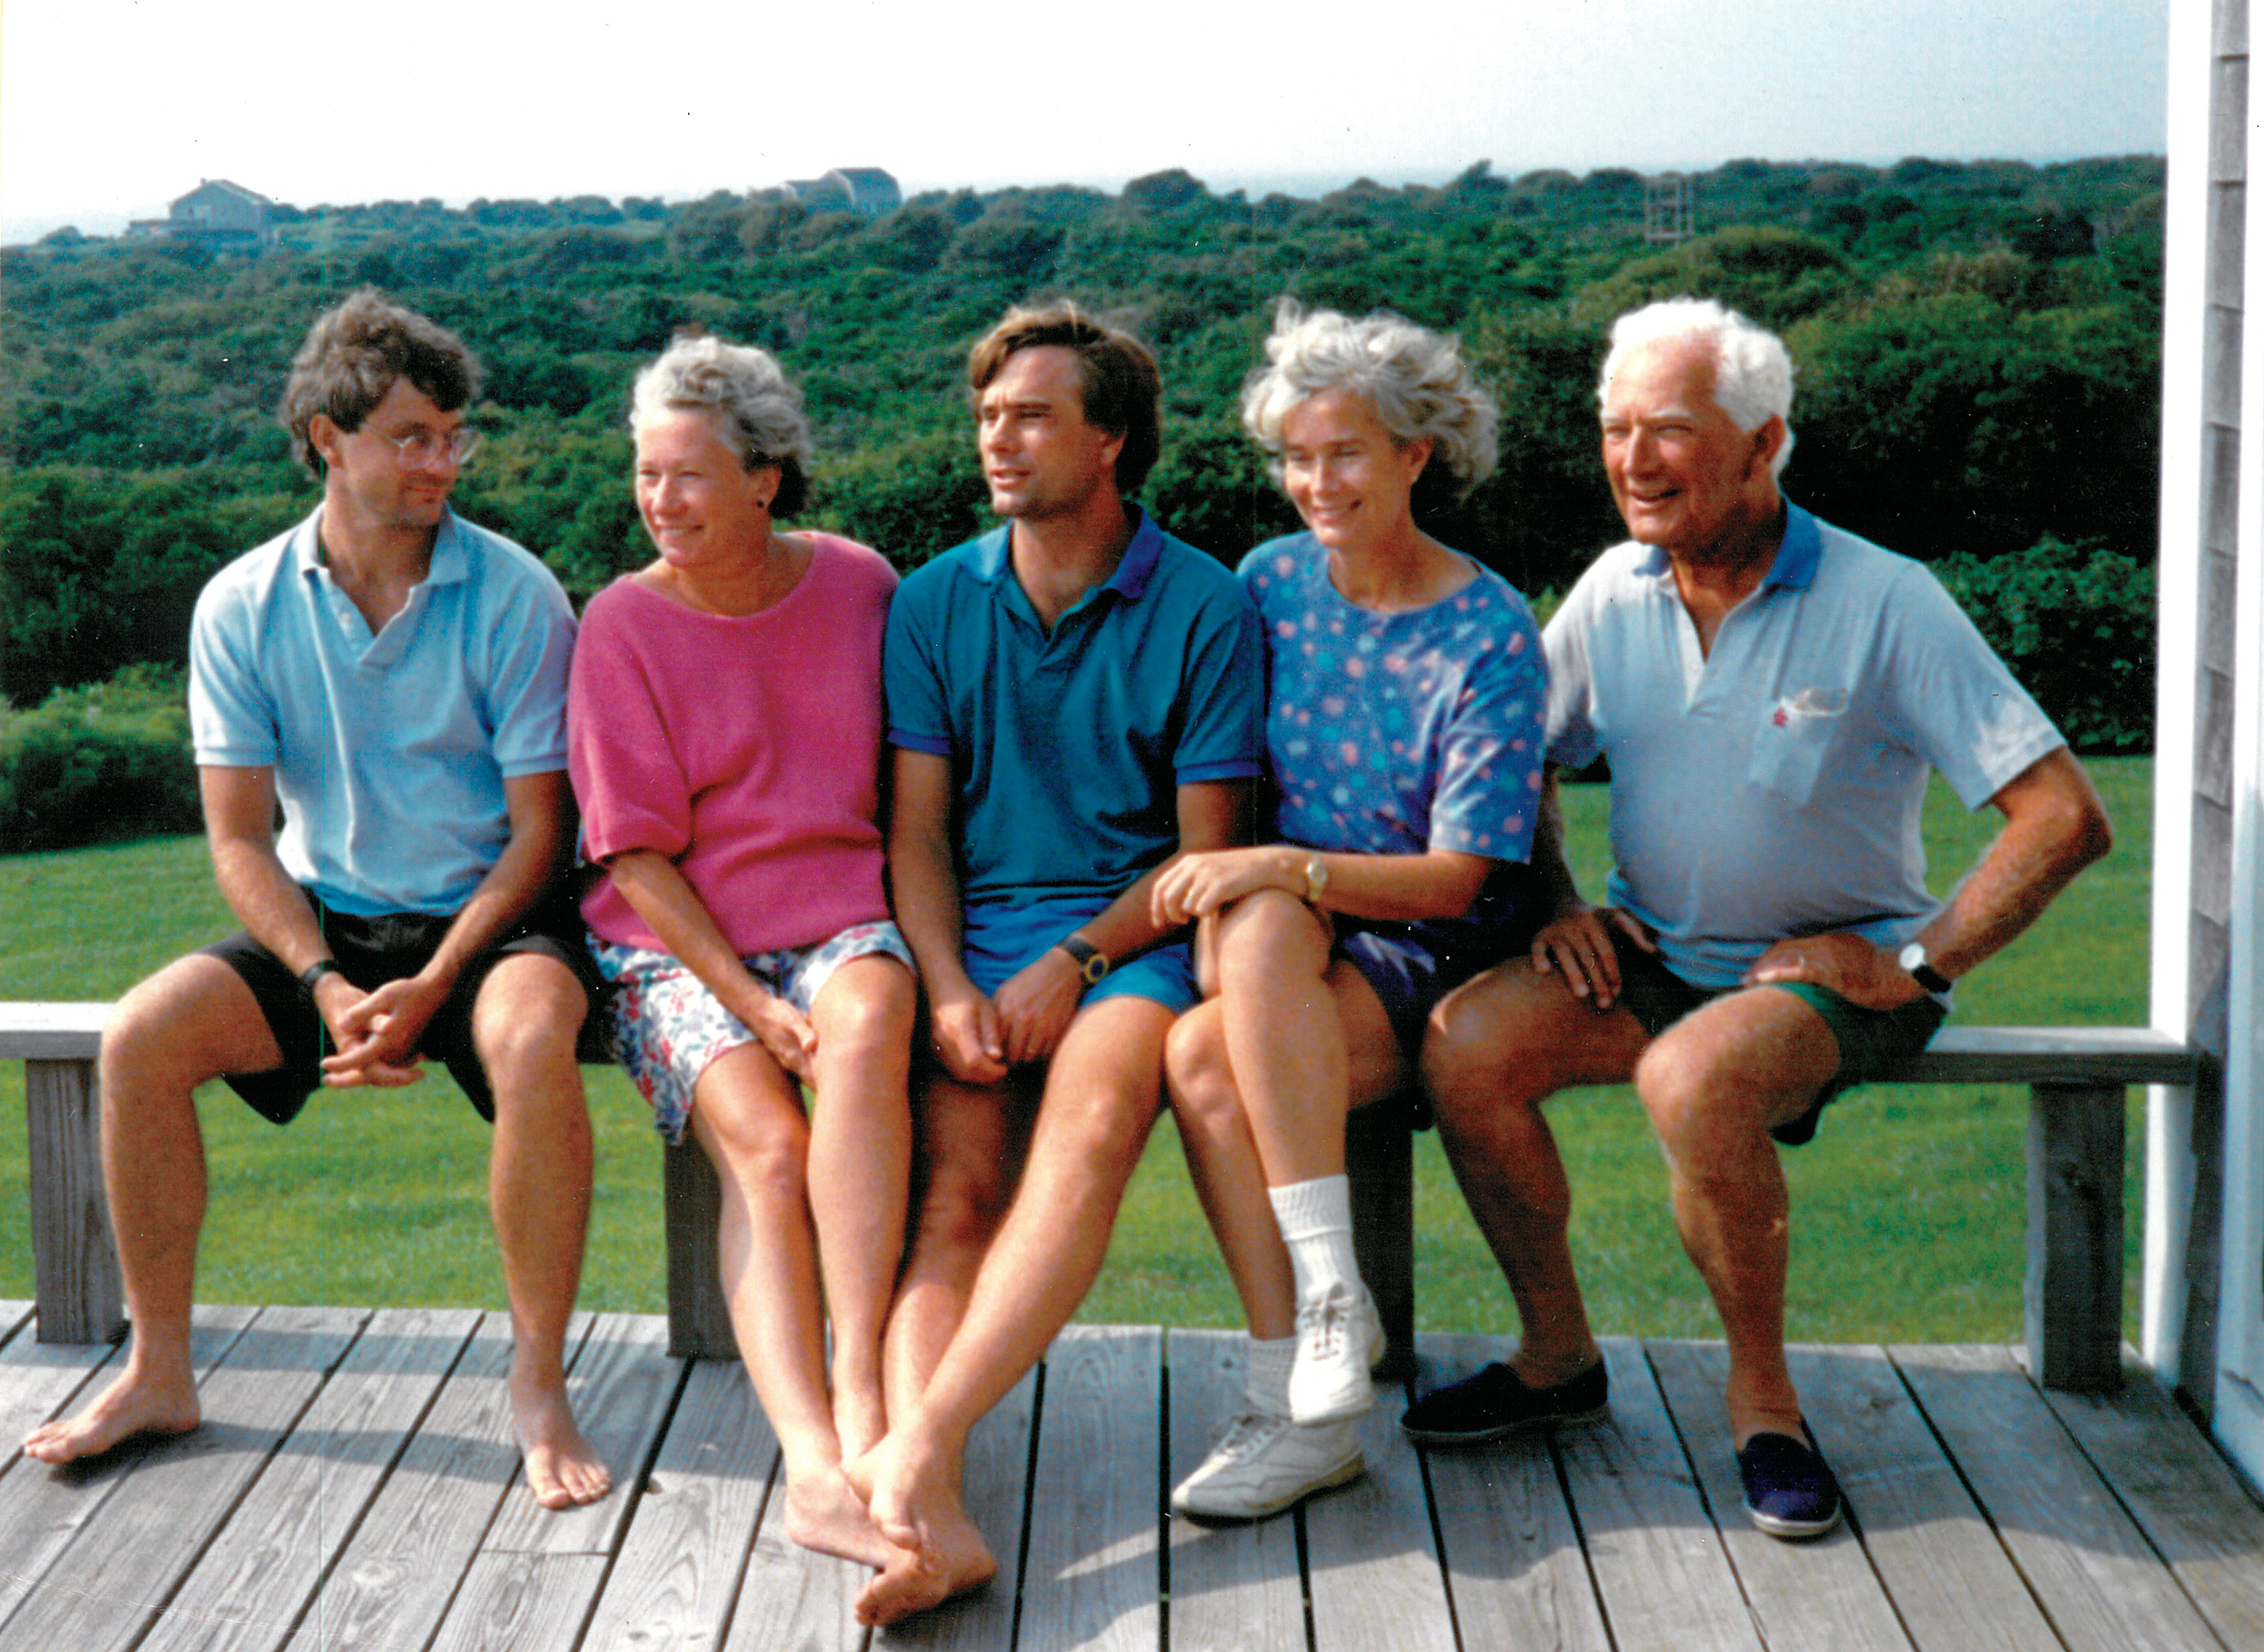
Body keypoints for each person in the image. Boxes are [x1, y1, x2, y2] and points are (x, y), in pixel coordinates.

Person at [1412, 296, 2113, 1539]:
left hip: (1837, 989)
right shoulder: (1614, 590)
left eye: (1670, 430)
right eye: (1615, 429)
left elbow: (2060, 817)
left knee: (1691, 1079)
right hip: (1654, 960)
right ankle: (1558, 1361)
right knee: (1465, 1041)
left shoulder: (1885, 597)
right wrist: (1563, 902)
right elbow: (1515, 760)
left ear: (1761, 443)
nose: (1633, 461)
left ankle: (1764, 1410)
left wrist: (1913, 957)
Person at [23, 291, 612, 1508]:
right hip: (325, 926)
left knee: (532, 1038)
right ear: (325, 439)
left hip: (496, 923)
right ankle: (160, 1372)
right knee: (139, 1037)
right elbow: (239, 839)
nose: (442, 460)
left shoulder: (515, 594)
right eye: (410, 436)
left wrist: (438, 979)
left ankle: (541, 1384)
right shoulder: (241, 603)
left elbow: (542, 833)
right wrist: (328, 984)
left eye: (454, 435)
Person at [842, 302, 1264, 1624]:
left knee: (1083, 1127)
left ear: (1112, 441)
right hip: (971, 945)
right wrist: (954, 985)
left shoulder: (1203, 602)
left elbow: (1199, 860)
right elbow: (914, 834)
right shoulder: (933, 602)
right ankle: (940, 1520)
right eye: (986, 417)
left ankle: (910, 1452)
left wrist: (1073, 964)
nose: (997, 440)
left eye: (1030, 415)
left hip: (1134, 941)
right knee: (954, 1197)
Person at [1152, 303, 1547, 1522]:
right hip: (1282, 935)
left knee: (1199, 1058)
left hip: (1420, 942)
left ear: (1416, 456)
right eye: (1295, 457)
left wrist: (1282, 867)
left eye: (1345, 455)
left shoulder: (1490, 633)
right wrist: (1273, 874)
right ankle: (1333, 1309)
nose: (1314, 484)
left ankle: (1299, 1403)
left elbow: (1461, 880)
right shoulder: (1267, 585)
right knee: (1263, 928)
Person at [566, 335, 916, 1566]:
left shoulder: (863, 586)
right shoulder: (620, 624)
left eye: (689, 477)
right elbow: (632, 859)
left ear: (765, 479)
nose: (660, 503)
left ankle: (865, 1378)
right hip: (675, 947)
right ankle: (815, 1461)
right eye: (646, 477)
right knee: (765, 1149)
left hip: (841, 919)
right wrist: (747, 1007)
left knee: (868, 1032)